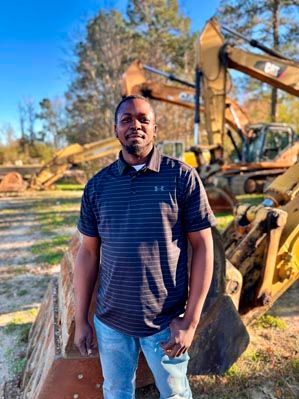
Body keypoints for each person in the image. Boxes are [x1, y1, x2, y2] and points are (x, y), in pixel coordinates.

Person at [74, 95, 216, 399]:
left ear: (155, 129)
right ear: (115, 129)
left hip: (165, 322)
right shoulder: (97, 186)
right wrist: (81, 319)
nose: (134, 125)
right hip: (110, 322)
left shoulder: (181, 177)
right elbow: (87, 253)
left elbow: (203, 247)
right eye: (126, 119)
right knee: (116, 392)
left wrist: (190, 321)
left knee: (176, 394)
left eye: (143, 119)